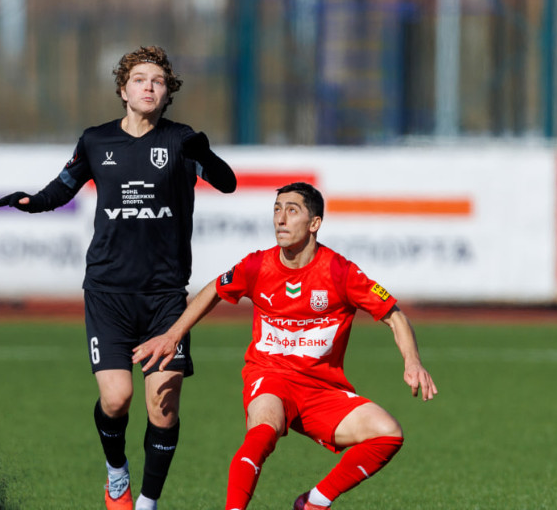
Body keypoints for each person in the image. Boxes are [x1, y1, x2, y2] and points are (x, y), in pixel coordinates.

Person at [0, 45, 237, 510]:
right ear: (123, 90)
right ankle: (116, 473)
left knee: (163, 407)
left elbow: (227, 183)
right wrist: (31, 202)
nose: (149, 86)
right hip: (108, 292)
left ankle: (146, 503)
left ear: (168, 93)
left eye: (158, 81)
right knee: (117, 399)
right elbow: (62, 188)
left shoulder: (181, 140)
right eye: (140, 79)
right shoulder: (96, 141)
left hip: (165, 297)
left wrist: (204, 152)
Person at [132, 182, 437, 510]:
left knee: (388, 433)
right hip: (270, 377)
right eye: (277, 209)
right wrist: (173, 335)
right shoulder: (257, 265)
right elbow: (213, 290)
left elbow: (395, 316)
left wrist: (412, 362)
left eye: (292, 210)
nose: (280, 218)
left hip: (320, 389)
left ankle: (314, 502)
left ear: (314, 223)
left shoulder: (339, 272)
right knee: (264, 431)